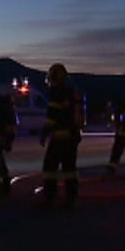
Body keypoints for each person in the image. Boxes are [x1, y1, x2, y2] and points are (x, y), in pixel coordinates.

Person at [39, 63, 84, 207]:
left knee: (49, 168)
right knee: (70, 169)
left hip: (59, 137)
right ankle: (72, 198)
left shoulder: (57, 93)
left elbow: (51, 117)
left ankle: (49, 197)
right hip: (72, 137)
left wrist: (44, 134)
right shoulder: (71, 92)